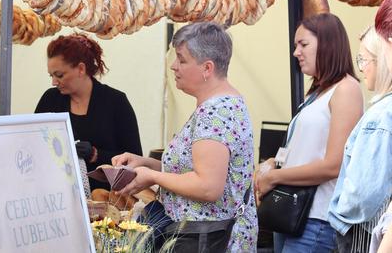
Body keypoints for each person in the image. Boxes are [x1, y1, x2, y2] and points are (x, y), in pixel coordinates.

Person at [113, 22, 257, 252]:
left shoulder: (216, 112)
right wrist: (146, 163)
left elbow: (208, 186)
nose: (173, 66)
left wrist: (153, 176)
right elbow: (194, 169)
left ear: (207, 68)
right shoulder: (218, 105)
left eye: (181, 59)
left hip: (207, 240)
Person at [256, 13, 363, 253]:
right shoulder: (316, 94)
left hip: (316, 219)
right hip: (290, 213)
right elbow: (303, 151)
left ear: (327, 44)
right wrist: (274, 163)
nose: (296, 52)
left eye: (303, 44)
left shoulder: (346, 89)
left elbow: (334, 165)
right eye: (296, 45)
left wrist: (274, 178)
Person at [34, 33, 142, 190]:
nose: (54, 82)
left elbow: (134, 158)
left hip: (107, 199)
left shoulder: (115, 102)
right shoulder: (50, 99)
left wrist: (95, 154)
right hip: (57, 195)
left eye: (59, 75)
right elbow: (34, 145)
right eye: (51, 76)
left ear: (81, 69)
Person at [327, 0, 392, 252]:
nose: (361, 67)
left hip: (365, 233)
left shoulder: (381, 115)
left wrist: (341, 215)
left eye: (364, 59)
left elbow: (366, 193)